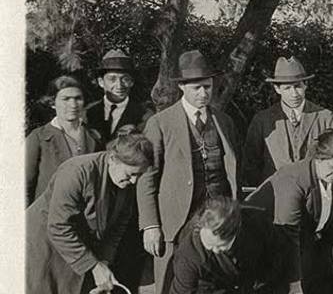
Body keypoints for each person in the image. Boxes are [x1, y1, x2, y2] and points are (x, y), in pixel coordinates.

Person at [137, 50, 242, 294]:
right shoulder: (160, 123)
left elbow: (235, 170)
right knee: (172, 283)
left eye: (207, 86)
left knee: (217, 283)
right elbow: (147, 178)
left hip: (217, 219)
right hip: (176, 222)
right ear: (182, 87)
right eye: (196, 88)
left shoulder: (225, 122)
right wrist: (150, 225)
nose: (203, 93)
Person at [26, 133, 154, 294]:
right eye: (131, 174)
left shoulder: (125, 183)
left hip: (76, 247)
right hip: (43, 245)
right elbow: (58, 226)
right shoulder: (76, 172)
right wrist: (94, 266)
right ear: (112, 159)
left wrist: (104, 261)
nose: (134, 182)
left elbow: (117, 228)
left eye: (139, 175)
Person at [245, 129, 333, 294]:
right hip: (267, 244)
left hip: (302, 241)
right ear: (318, 158)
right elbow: (287, 234)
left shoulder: (330, 173)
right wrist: (294, 282)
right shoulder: (294, 180)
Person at [243, 56, 333, 188]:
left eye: (298, 86)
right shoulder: (262, 120)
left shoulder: (325, 118)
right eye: (287, 88)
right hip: (275, 195)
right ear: (277, 89)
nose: (294, 94)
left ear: (306, 85)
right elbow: (250, 163)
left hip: (314, 194)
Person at [168, 197, 288, 294]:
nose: (213, 250)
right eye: (208, 243)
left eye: (220, 246)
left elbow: (276, 258)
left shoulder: (256, 223)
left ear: (236, 233)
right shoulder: (188, 256)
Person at [27, 75, 103, 206]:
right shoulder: (38, 137)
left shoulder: (95, 137)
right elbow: (22, 185)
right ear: (52, 103)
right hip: (47, 215)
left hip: (84, 217)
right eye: (66, 99)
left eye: (78, 98)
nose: (73, 104)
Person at [85, 49, 154, 142]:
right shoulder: (88, 112)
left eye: (125, 79)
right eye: (112, 79)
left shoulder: (144, 115)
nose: (119, 85)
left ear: (132, 82)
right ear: (101, 82)